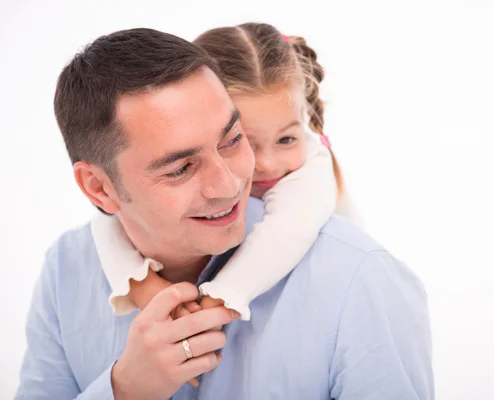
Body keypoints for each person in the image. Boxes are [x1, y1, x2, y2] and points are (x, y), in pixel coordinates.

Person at [16, 27, 434, 400]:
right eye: (181, 167)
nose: (230, 185)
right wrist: (123, 391)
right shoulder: (64, 271)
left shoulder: (359, 278)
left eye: (232, 140)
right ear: (99, 188)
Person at [96, 23, 363, 329]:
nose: (268, 164)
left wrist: (218, 300)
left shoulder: (311, 174)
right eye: (241, 140)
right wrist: (142, 287)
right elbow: (107, 219)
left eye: (286, 139)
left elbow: (286, 234)